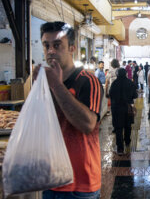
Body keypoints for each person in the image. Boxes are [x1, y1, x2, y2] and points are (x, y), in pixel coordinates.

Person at [34, 21, 103, 199]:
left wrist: (56, 85)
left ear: (72, 48)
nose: (50, 51)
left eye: (57, 45)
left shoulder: (87, 80)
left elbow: (87, 124)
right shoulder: (43, 82)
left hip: (79, 184)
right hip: (50, 179)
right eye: (46, 45)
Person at [109, 68, 137, 155]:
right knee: (127, 125)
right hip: (127, 107)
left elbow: (110, 95)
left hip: (116, 108)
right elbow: (135, 95)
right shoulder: (130, 83)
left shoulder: (114, 83)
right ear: (125, 74)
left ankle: (120, 148)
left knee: (118, 128)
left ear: (117, 74)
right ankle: (127, 141)